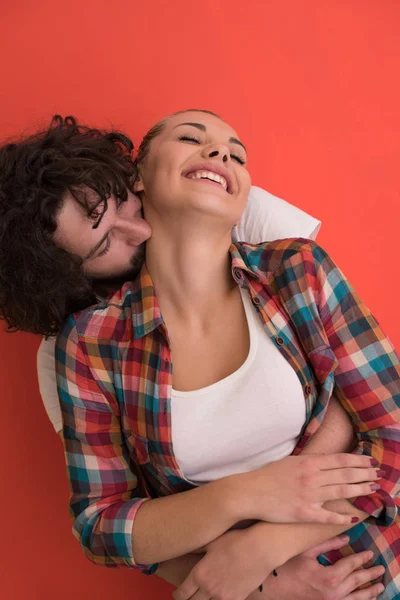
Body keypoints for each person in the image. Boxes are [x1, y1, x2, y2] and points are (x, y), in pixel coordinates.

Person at [0, 114, 394, 598]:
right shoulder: (86, 343)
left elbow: (387, 426)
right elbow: (103, 525)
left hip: (378, 557)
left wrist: (260, 552)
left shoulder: (293, 265)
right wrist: (246, 517)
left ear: (132, 180)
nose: (137, 230)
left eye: (237, 151)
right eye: (105, 242)